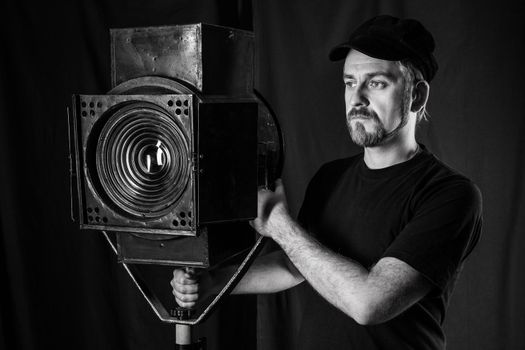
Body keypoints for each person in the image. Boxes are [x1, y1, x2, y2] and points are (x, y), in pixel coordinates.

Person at [171, 15, 482, 349]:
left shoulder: (450, 195)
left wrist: (280, 226)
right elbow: (297, 264)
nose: (357, 98)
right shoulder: (331, 177)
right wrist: (215, 281)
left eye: (376, 83)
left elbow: (369, 304)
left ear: (416, 95)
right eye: (350, 82)